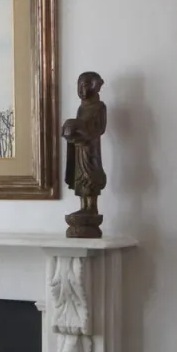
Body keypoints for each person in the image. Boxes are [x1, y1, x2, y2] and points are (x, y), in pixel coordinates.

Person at [62, 71, 106, 236]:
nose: (81, 90)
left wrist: (80, 126)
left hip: (91, 150)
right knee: (80, 177)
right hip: (80, 148)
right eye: (79, 86)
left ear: (95, 86)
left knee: (90, 176)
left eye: (85, 85)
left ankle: (91, 208)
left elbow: (99, 128)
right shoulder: (82, 108)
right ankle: (83, 207)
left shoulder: (99, 107)